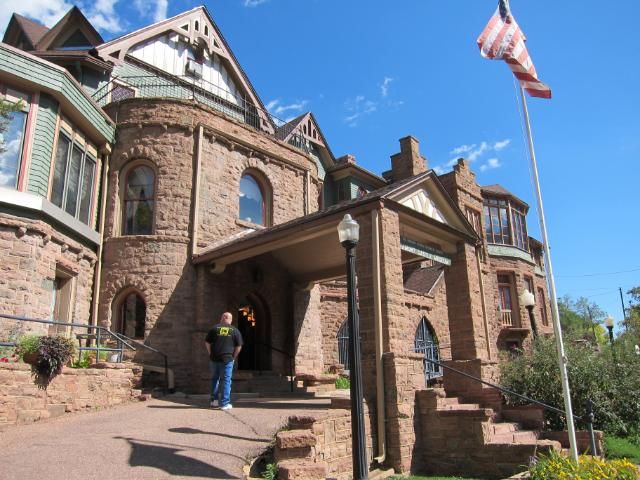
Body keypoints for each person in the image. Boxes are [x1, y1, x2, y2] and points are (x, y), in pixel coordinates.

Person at [205, 312, 243, 410]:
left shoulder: (214, 328)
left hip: (214, 358)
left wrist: (210, 353)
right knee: (226, 380)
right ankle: (225, 403)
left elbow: (207, 342)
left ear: (222, 318)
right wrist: (233, 357)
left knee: (215, 379)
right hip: (227, 359)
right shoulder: (235, 330)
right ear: (229, 319)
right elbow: (239, 346)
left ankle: (214, 401)